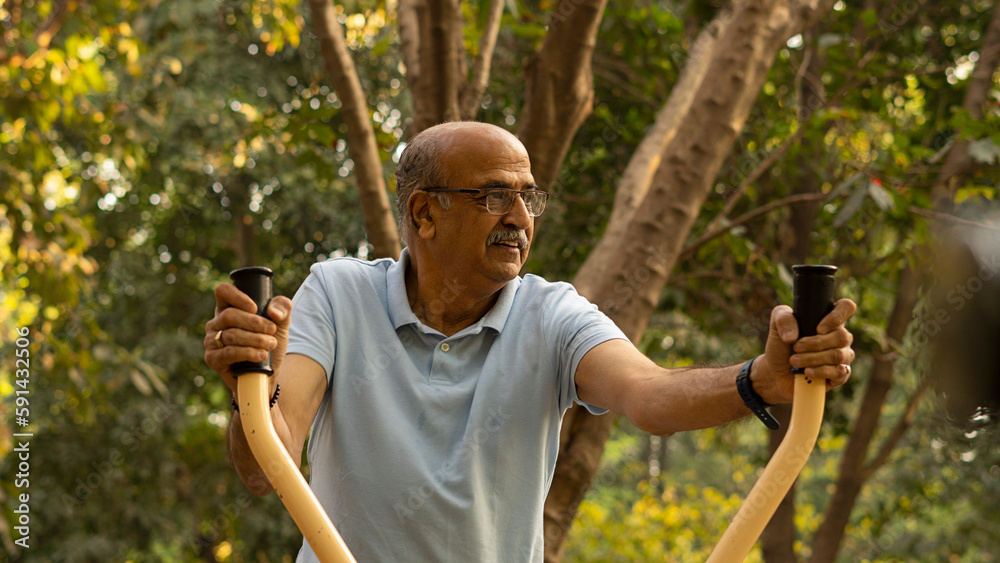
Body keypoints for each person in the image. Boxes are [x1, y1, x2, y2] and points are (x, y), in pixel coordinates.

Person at [203, 121, 856, 562]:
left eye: (527, 197)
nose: (519, 218)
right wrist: (249, 388)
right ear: (424, 213)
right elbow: (266, 467)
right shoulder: (337, 293)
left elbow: (650, 394)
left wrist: (762, 379)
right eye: (493, 196)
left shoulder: (551, 314)